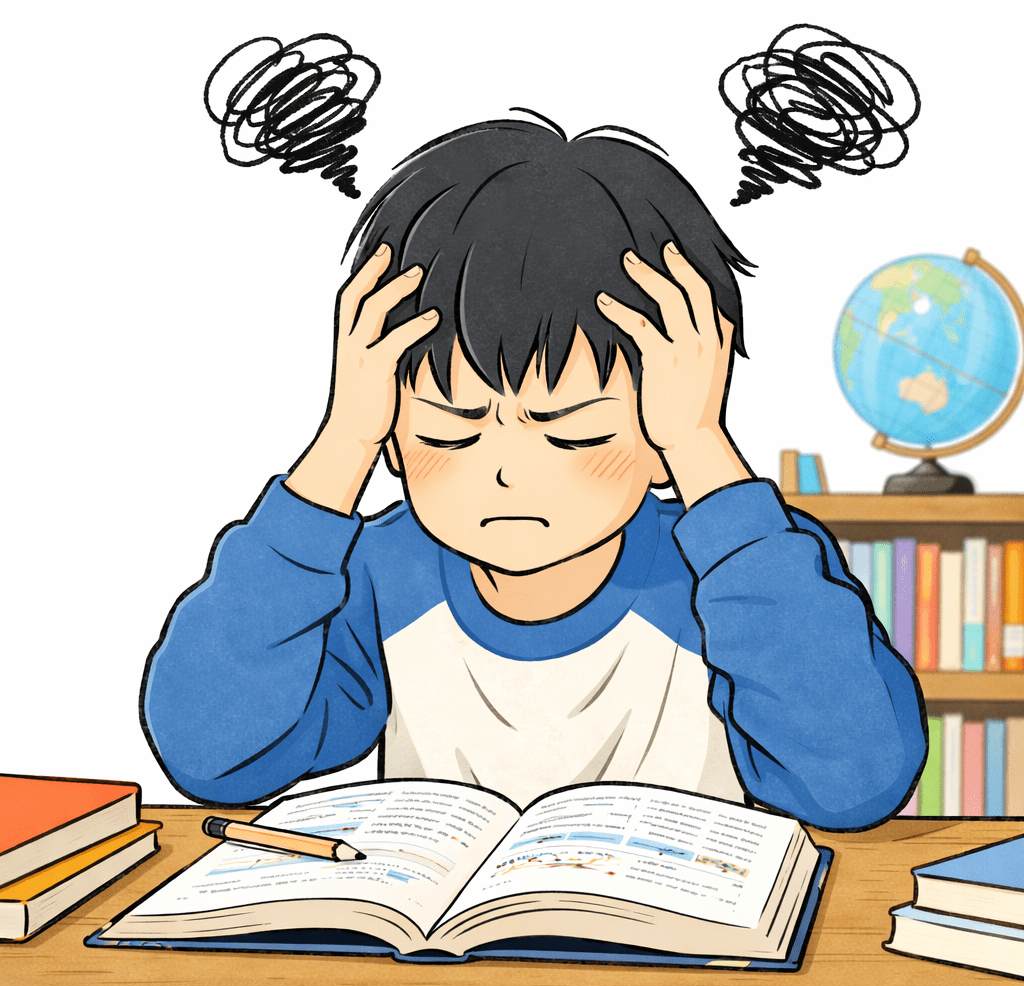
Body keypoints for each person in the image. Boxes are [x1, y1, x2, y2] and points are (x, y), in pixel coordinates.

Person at [141, 116, 926, 828]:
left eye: (574, 435)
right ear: (392, 434)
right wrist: (339, 445)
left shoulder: (736, 565)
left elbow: (853, 785)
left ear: (659, 432)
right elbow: (214, 758)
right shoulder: (381, 574)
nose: (508, 476)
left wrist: (702, 448)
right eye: (451, 434)